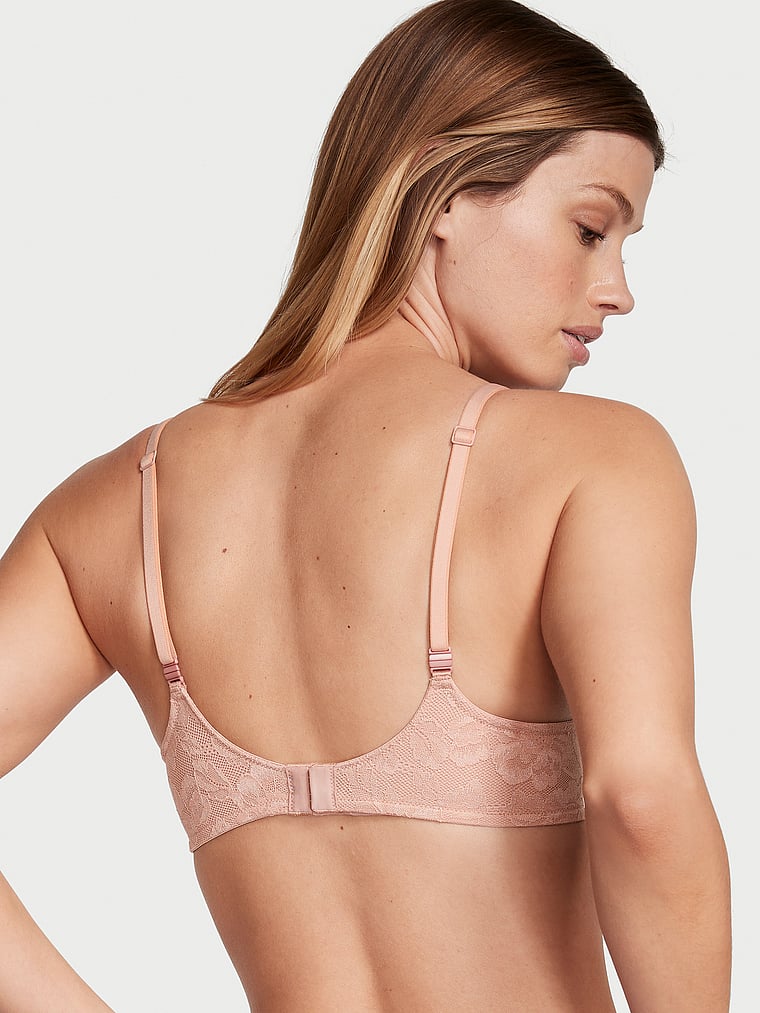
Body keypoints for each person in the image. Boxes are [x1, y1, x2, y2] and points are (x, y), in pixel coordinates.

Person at [0, 0, 731, 1009]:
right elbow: (640, 797)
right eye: (590, 228)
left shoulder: (113, 508)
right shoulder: (593, 459)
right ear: (443, 192)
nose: (617, 289)